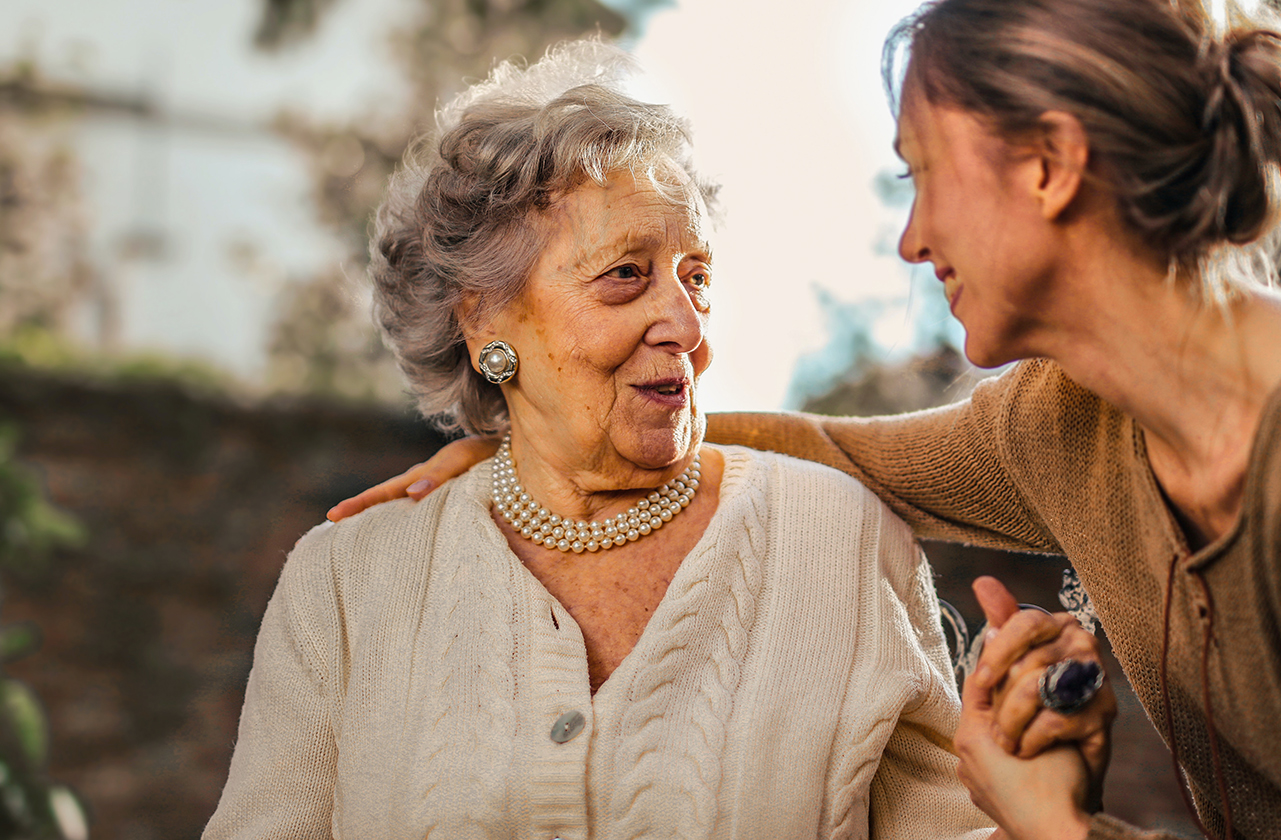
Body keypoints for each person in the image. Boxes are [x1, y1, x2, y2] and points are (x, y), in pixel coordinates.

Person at [329, 0, 1281, 837]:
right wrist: (531, 431)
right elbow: (826, 449)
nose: (910, 237)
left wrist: (1051, 831)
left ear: (1048, 164)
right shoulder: (1069, 421)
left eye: (921, 171)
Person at [204, 40, 1067, 839]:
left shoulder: (841, 541)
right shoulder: (348, 582)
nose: (686, 324)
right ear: (484, 319)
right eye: (625, 276)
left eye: (698, 278)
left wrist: (1043, 807)